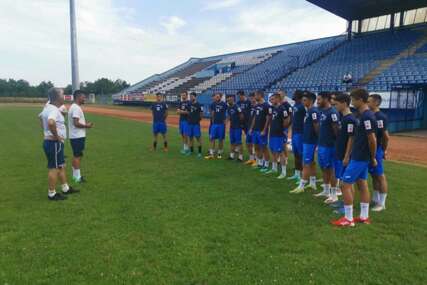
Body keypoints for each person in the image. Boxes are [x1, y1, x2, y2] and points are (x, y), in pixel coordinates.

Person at [331, 88, 377, 227]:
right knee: (362, 184)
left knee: (345, 185)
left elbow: (372, 139)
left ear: (360, 100)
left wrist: (373, 157)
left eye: (353, 99)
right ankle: (364, 216)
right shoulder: (363, 115)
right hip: (361, 156)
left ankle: (348, 218)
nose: (352, 102)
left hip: (360, 156)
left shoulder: (367, 116)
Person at [40, 88, 78, 201]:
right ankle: (51, 193)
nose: (64, 96)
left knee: (61, 166)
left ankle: (65, 188)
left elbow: (40, 117)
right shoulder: (54, 110)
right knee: (54, 168)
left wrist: (46, 132)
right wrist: (56, 136)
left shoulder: (48, 108)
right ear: (57, 97)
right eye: (62, 94)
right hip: (54, 143)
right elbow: (51, 122)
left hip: (52, 142)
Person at [331, 93, 357, 210]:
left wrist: (347, 156)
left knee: (346, 182)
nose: (334, 106)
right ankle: (344, 202)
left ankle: (347, 206)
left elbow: (351, 138)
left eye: (336, 104)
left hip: (344, 155)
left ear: (344, 104)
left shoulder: (350, 120)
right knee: (342, 180)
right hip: (339, 153)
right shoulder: (343, 118)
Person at [290, 91, 319, 194]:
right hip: (307, 139)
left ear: (310, 100)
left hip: (310, 140)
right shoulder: (309, 110)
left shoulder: (313, 111)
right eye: (302, 99)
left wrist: (317, 139)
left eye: (305, 100)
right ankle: (312, 182)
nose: (302, 101)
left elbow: (316, 126)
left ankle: (302, 185)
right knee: (310, 162)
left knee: (306, 163)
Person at [315, 92, 340, 202]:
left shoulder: (333, 112)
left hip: (330, 146)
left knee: (331, 169)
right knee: (324, 168)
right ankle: (326, 190)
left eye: (319, 99)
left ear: (326, 99)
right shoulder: (322, 111)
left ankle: (334, 194)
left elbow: (336, 131)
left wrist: (336, 144)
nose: (317, 102)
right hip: (322, 144)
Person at [368, 94, 390, 212]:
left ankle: (382, 203)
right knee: (374, 175)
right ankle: (375, 199)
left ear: (376, 103)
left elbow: (386, 136)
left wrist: (383, 150)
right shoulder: (371, 115)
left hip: (377, 150)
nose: (367, 103)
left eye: (369, 101)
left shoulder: (380, 117)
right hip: (371, 149)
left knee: (380, 176)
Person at [68, 90, 93, 183]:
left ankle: (75, 176)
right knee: (77, 156)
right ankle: (77, 178)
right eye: (83, 97)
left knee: (77, 155)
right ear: (78, 97)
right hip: (77, 136)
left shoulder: (74, 107)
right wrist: (87, 125)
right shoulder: (76, 108)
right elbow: (76, 123)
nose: (84, 98)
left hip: (75, 136)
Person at [265, 92, 290, 178]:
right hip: (272, 133)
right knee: (273, 150)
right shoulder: (272, 108)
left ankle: (283, 172)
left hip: (279, 134)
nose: (270, 101)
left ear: (278, 99)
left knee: (280, 152)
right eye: (270, 99)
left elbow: (286, 121)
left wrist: (282, 129)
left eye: (272, 99)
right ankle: (274, 168)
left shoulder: (282, 109)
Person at [249, 90, 270, 172]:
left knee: (264, 147)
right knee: (256, 146)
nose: (255, 97)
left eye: (256, 95)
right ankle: (260, 162)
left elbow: (268, 119)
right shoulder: (256, 106)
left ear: (260, 95)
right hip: (255, 130)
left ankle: (267, 164)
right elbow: (254, 117)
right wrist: (251, 128)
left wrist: (264, 130)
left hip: (262, 130)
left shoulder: (266, 106)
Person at [287, 90, 306, 182]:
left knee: (301, 154)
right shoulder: (295, 106)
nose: (293, 95)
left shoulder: (302, 107)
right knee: (296, 154)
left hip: (300, 133)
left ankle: (303, 175)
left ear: (298, 96)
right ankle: (297, 173)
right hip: (295, 132)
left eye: (294, 94)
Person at [205, 92, 227, 159]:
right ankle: (211, 153)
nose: (217, 97)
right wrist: (213, 121)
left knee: (220, 139)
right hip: (214, 124)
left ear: (220, 97)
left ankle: (219, 152)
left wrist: (225, 121)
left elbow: (226, 113)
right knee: (212, 138)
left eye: (218, 96)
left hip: (221, 124)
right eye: (216, 96)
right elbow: (212, 113)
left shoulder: (224, 104)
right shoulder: (213, 104)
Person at [236, 90, 253, 163]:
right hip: (240, 123)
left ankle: (252, 156)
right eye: (238, 96)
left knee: (249, 140)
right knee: (238, 139)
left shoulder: (249, 102)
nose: (239, 97)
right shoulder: (238, 103)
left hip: (248, 123)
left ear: (243, 95)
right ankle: (240, 155)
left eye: (239, 96)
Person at [278, 90, 293, 174]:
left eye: (280, 93)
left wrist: (287, 127)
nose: (279, 95)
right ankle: (281, 158)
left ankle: (286, 158)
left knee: (284, 144)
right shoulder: (279, 104)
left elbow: (290, 116)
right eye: (278, 93)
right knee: (280, 143)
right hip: (278, 127)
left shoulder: (287, 105)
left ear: (284, 94)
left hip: (284, 127)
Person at [226, 95, 244, 161]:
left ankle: (240, 157)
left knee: (239, 142)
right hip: (232, 127)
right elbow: (229, 116)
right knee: (232, 142)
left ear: (233, 99)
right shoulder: (228, 107)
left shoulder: (237, 106)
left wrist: (240, 124)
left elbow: (241, 115)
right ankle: (231, 156)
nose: (228, 101)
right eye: (227, 100)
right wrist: (227, 122)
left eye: (229, 100)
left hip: (237, 127)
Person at [186, 92, 204, 157]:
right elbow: (188, 112)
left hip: (196, 124)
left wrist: (198, 120)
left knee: (198, 138)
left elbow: (201, 114)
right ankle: (191, 151)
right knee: (190, 138)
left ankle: (199, 152)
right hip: (189, 123)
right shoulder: (189, 104)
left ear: (195, 97)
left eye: (192, 96)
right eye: (190, 96)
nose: (191, 97)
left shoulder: (199, 105)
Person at [244, 92, 257, 166]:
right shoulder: (249, 106)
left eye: (253, 98)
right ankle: (251, 158)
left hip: (255, 129)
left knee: (255, 144)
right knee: (248, 143)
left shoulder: (258, 106)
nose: (251, 99)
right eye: (250, 98)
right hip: (248, 127)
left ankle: (257, 159)